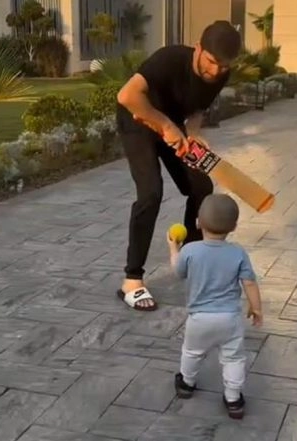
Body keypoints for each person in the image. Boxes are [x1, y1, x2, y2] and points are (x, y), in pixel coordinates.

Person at [114, 20, 242, 311]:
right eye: (211, 62)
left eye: (223, 66)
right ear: (198, 48)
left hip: (170, 124)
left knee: (201, 186)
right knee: (151, 193)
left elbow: (197, 108)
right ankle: (132, 281)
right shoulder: (169, 59)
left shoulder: (221, 73)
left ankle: (191, 256)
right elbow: (127, 95)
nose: (216, 71)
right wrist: (165, 125)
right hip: (137, 120)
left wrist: (193, 134)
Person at [167, 194, 263, 419]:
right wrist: (256, 307)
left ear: (198, 222)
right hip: (229, 319)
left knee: (192, 352)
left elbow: (178, 272)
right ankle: (233, 399)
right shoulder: (238, 252)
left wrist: (174, 250)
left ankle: (187, 384)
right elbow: (249, 282)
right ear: (234, 226)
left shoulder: (190, 250)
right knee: (233, 358)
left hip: (199, 318)